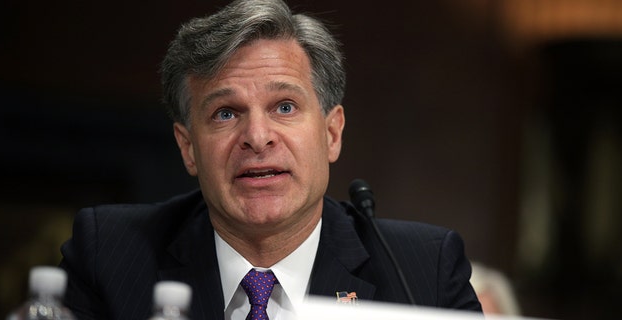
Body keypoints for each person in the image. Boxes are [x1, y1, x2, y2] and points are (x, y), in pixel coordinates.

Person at [59, 0, 482, 319]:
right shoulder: (109, 254)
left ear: (332, 134)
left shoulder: (421, 271)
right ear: (188, 148)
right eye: (226, 113)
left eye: (284, 107)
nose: (257, 138)